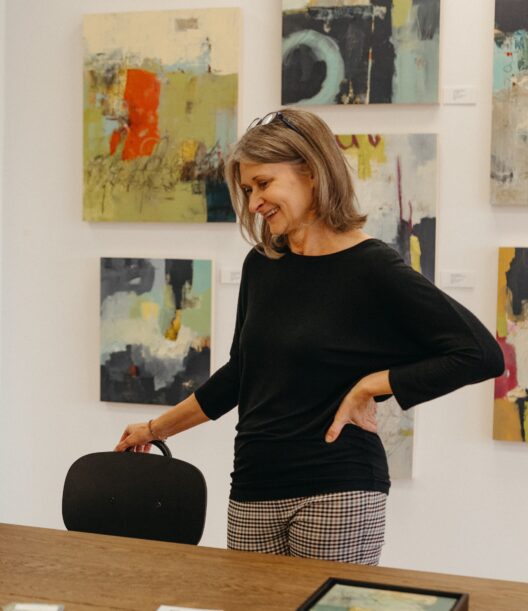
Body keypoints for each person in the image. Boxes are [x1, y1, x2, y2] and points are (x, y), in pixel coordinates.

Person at [116, 108, 504, 565]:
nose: (254, 202)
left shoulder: (372, 266)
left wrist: (371, 385)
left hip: (337, 490)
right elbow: (241, 374)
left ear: (312, 173)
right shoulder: (262, 265)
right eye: (247, 190)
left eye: (263, 184)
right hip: (253, 487)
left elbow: (479, 353)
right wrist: (156, 428)